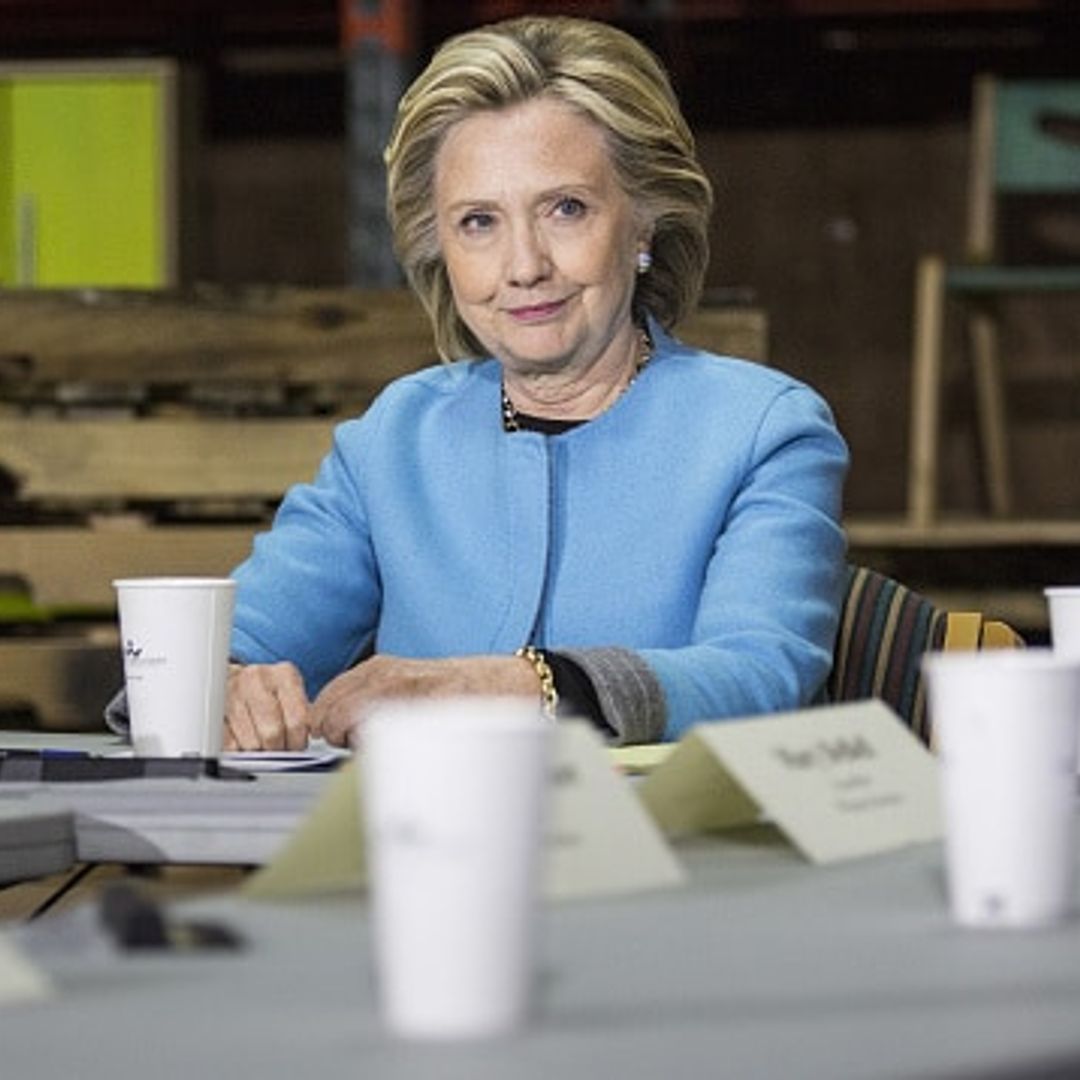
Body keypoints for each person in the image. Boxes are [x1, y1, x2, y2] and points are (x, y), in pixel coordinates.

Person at [223, 14, 849, 752]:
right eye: (479, 222)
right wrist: (229, 684)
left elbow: (758, 676)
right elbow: (240, 644)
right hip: (421, 852)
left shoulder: (763, 430)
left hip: (670, 857)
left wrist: (493, 688)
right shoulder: (395, 439)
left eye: (566, 209)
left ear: (644, 224)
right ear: (439, 248)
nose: (524, 266)